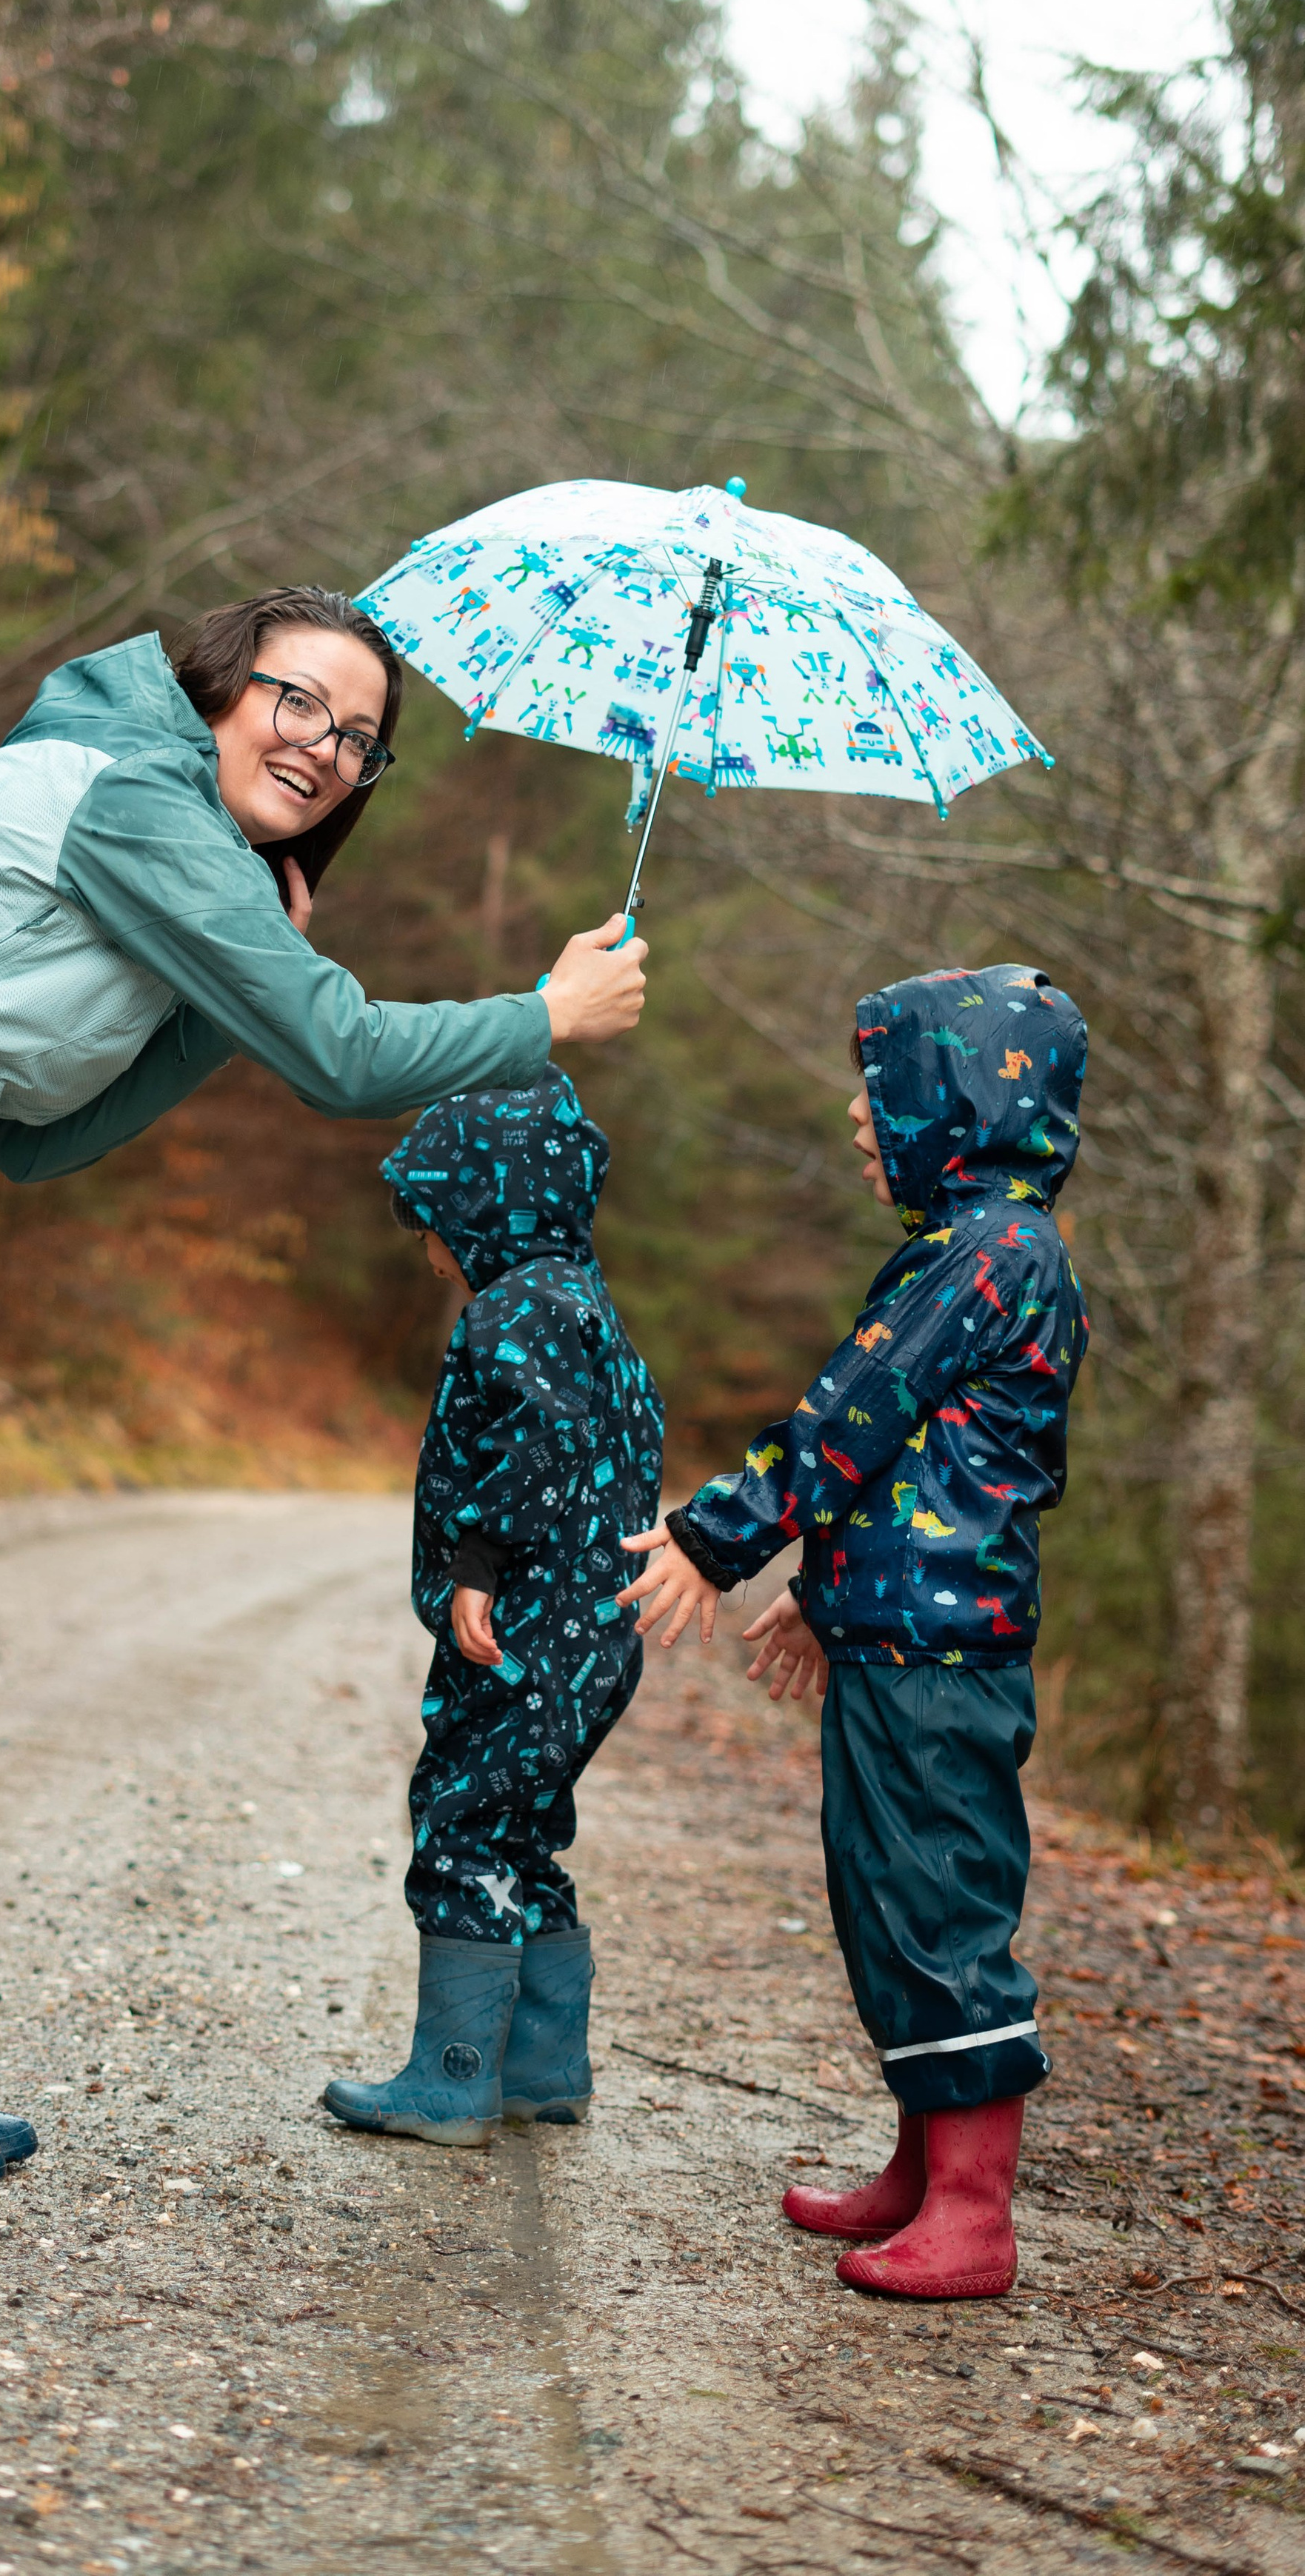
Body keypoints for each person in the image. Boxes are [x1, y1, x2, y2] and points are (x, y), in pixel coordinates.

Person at [0, 587, 650, 2197]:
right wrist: (538, 1019)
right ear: (216, 686)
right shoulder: (129, 792)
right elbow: (344, 1057)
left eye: (358, 740)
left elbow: (42, 1140)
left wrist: (238, 988)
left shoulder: (169, 857)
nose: (324, 748)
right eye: (298, 700)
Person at [618, 964, 1087, 2300]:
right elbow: (915, 1468)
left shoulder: (995, 1255)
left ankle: (974, 2215)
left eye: (884, 1092)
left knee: (940, 1900)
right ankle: (920, 2164)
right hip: (903, 1635)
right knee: (882, 1901)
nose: (857, 1115)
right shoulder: (965, 1249)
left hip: (949, 1657)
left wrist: (719, 1537)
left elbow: (853, 1418)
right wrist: (829, 1597)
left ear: (960, 1104)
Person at [323, 1068, 663, 2147]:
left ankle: (454, 2076)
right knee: (527, 1828)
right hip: (592, 1635)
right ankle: (544, 2066)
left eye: (434, 1225)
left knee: (464, 1819)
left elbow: (533, 1441)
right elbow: (622, 1444)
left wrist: (479, 1564)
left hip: (523, 1628)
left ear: (483, 1209)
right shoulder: (594, 1310)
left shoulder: (518, 1310)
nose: (429, 1253)